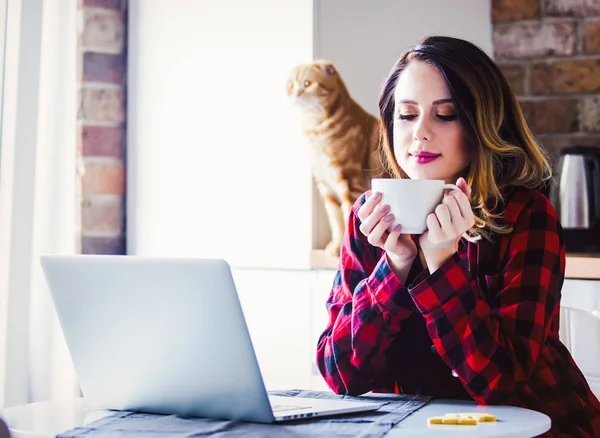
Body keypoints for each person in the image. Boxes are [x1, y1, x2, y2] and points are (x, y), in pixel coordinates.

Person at [315, 35, 600, 437]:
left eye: (445, 115)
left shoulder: (525, 215)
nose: (420, 134)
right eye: (407, 114)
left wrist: (441, 266)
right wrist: (394, 267)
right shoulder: (370, 217)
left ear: (481, 124)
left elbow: (502, 384)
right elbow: (341, 374)